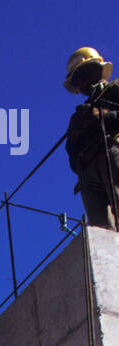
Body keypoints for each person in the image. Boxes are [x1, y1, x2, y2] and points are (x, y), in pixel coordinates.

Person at [63, 46, 119, 230]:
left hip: (113, 151)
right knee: (101, 230)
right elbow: (71, 151)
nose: (84, 81)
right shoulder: (78, 116)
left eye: (87, 73)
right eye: (79, 79)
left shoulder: (116, 90)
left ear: (98, 71)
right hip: (87, 170)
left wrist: (104, 116)